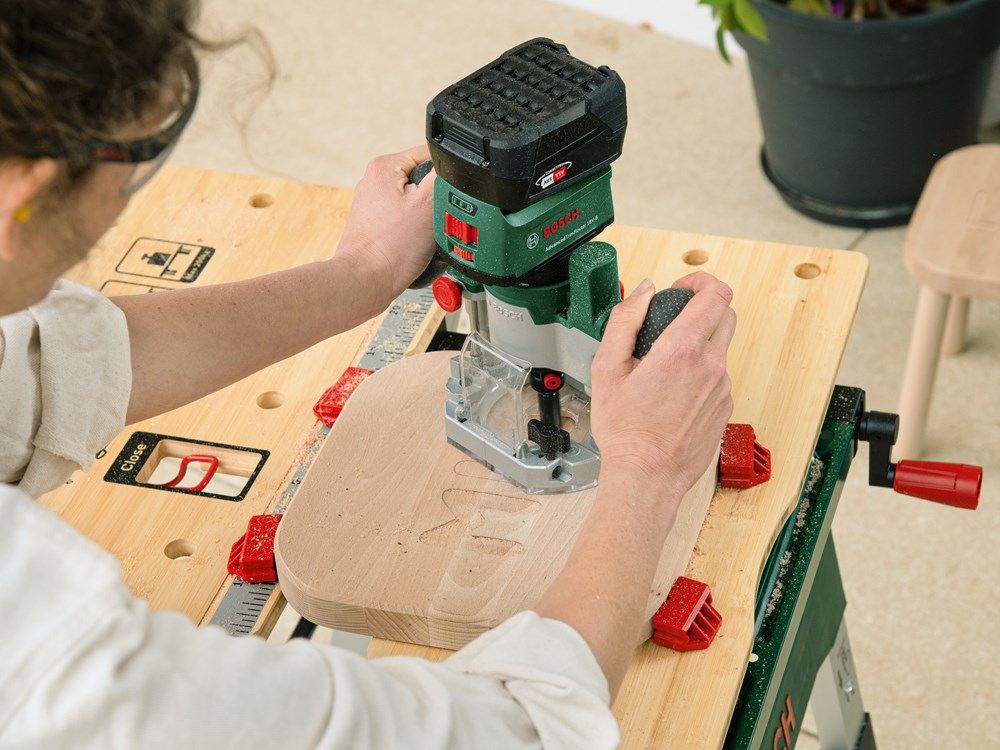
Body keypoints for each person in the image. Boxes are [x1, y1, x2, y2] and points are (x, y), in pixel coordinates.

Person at [0, 2, 736, 748]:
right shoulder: (45, 658)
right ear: (22, 201)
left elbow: (41, 367)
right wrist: (647, 465)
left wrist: (362, 273)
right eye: (143, 161)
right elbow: (515, 731)